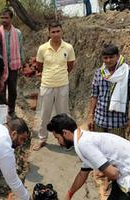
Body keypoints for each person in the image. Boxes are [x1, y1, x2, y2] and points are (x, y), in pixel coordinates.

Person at [47, 113, 130, 200]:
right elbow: (82, 174)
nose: (58, 142)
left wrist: (106, 171)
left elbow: (113, 174)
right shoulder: (85, 137)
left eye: (57, 138)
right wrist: (69, 193)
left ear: (65, 133)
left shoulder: (84, 144)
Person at [33, 21, 76, 151]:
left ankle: (66, 140)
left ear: (62, 32)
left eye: (58, 31)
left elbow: (70, 65)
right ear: (49, 33)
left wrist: (60, 75)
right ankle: (42, 139)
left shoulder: (68, 48)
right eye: (53, 32)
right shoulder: (43, 48)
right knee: (44, 113)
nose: (56, 34)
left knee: (63, 114)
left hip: (63, 85)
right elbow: (39, 66)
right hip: (47, 85)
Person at [87, 44, 130, 138]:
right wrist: (91, 116)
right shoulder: (99, 73)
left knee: (115, 151)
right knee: (99, 150)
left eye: (111, 57)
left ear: (118, 56)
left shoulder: (128, 73)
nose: (108, 60)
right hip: (99, 120)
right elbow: (94, 95)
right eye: (105, 58)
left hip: (118, 123)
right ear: (102, 58)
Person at [0, 7, 25, 118]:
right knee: (1, 90)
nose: (4, 20)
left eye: (6, 18)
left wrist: (22, 62)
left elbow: (21, 48)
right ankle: (2, 112)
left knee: (13, 89)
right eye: (2, 18)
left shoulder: (17, 33)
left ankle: (12, 110)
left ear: (11, 18)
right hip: (1, 66)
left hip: (13, 65)